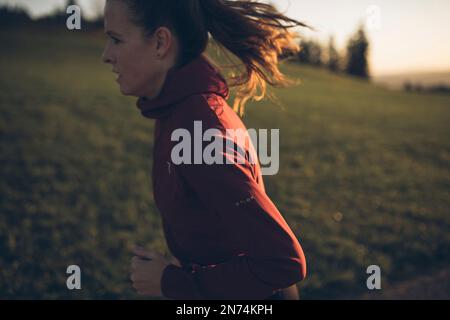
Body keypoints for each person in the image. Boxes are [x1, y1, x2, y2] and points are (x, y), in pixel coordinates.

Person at [102, 0, 309, 300]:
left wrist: (172, 283)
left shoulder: (198, 129)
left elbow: (282, 263)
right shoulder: (174, 110)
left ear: (160, 42)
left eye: (116, 39)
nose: (106, 55)